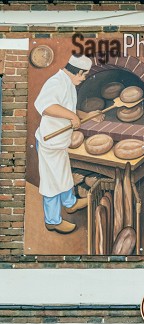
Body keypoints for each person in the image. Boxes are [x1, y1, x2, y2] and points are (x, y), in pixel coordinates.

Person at [33, 54, 92, 235]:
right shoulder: (56, 82)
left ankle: (70, 204)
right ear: (79, 71)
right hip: (49, 143)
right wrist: (73, 117)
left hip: (59, 144)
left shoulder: (69, 83)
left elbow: (66, 108)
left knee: (64, 176)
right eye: (83, 75)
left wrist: (83, 114)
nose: (83, 79)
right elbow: (45, 106)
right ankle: (52, 221)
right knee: (52, 183)